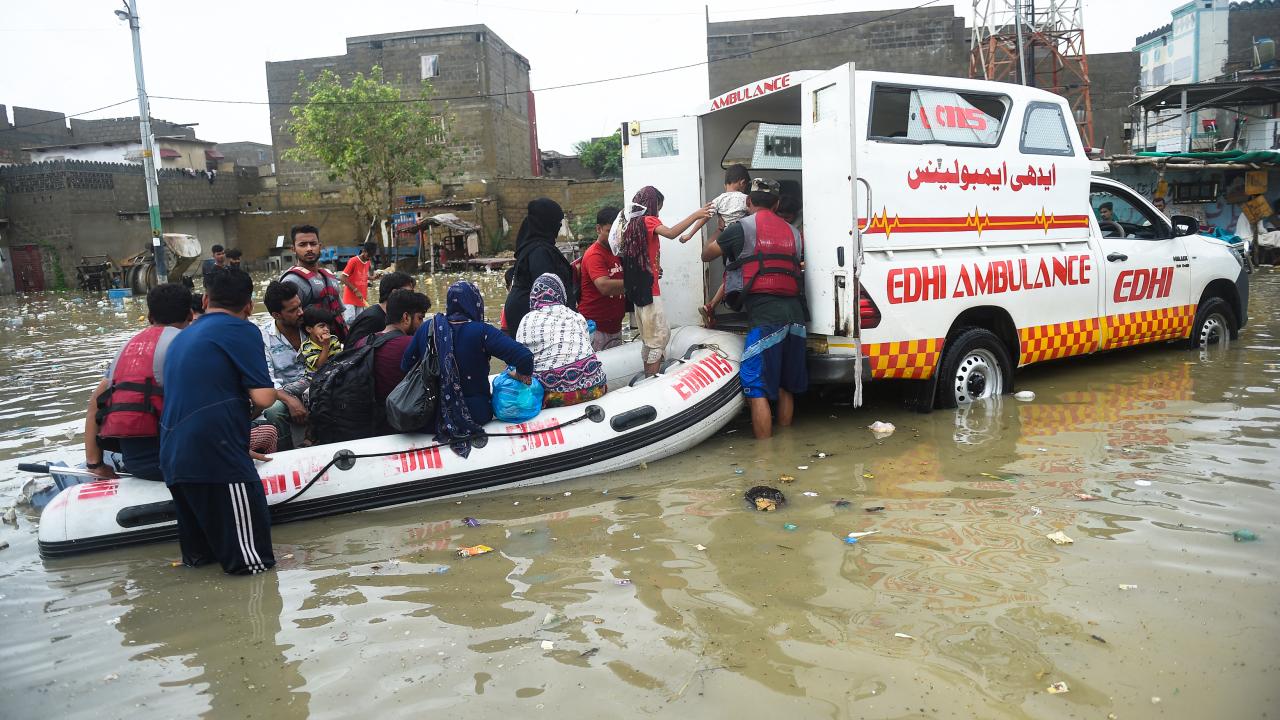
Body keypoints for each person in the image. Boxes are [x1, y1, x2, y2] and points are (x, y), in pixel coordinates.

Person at [160, 267, 277, 575]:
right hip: (218, 461)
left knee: (201, 565)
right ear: (249, 306)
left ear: (205, 298)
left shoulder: (182, 338)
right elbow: (264, 398)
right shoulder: (242, 330)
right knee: (253, 569)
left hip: (174, 460)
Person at [701, 178, 807, 439]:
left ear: (749, 202)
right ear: (777, 203)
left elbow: (707, 254)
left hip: (766, 317)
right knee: (785, 386)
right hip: (796, 317)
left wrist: (719, 230)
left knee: (755, 385)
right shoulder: (794, 232)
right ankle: (786, 449)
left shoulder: (741, 228)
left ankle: (765, 457)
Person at [403, 281, 534, 456]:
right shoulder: (482, 332)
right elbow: (524, 357)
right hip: (475, 414)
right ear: (475, 303)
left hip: (431, 416)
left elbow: (405, 365)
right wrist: (521, 375)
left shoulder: (428, 327)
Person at [83, 283, 194, 481]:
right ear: (191, 315)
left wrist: (95, 464)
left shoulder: (127, 347)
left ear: (151, 317)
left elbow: (95, 402)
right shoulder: (188, 343)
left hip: (135, 464)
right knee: (266, 433)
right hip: (178, 462)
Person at [619, 186, 712, 376]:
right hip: (650, 292)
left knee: (649, 339)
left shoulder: (631, 225)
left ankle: (648, 378)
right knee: (658, 339)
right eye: (658, 207)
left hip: (639, 292)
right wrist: (696, 215)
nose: (659, 212)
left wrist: (653, 268)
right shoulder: (648, 220)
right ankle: (651, 380)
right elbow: (670, 233)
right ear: (652, 205)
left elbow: (637, 256)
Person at [516, 273, 607, 407]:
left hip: (552, 396)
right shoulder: (576, 316)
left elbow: (519, 357)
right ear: (560, 293)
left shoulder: (527, 320)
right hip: (594, 389)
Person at [354, 289, 431, 420]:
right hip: (399, 421)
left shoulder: (362, 343)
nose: (422, 324)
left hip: (367, 418)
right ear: (406, 317)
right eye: (420, 318)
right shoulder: (412, 344)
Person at [503, 198, 575, 338]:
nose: (559, 228)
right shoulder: (540, 251)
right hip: (531, 319)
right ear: (547, 224)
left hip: (526, 314)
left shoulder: (535, 246)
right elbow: (546, 290)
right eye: (557, 224)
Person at [259, 281, 308, 450]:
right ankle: (286, 453)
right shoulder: (263, 336)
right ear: (276, 315)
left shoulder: (312, 325)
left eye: (300, 306)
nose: (300, 312)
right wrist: (290, 400)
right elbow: (267, 379)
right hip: (282, 392)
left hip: (315, 385)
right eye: (293, 310)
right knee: (274, 410)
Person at [280, 224, 347, 340]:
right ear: (293, 249)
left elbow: (339, 312)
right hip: (312, 350)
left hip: (337, 343)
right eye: (302, 245)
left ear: (320, 246)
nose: (309, 248)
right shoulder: (291, 282)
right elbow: (286, 324)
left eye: (313, 244)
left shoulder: (329, 276)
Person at [578, 205, 625, 351]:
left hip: (615, 325)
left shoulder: (617, 250)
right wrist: (637, 282)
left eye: (617, 232)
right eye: (609, 231)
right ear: (598, 229)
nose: (614, 236)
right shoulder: (594, 254)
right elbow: (604, 286)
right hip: (595, 328)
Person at [679, 164, 750, 244]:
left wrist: (689, 234)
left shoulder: (719, 200)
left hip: (726, 238)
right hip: (743, 237)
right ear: (742, 183)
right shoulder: (747, 199)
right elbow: (753, 215)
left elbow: (704, 218)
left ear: (725, 185)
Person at [347, 271, 419, 349]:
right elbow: (352, 351)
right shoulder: (372, 319)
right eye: (410, 293)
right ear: (395, 293)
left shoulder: (397, 317)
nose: (412, 297)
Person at [338, 241, 377, 324]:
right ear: (364, 251)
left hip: (361, 298)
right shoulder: (353, 261)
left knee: (359, 322)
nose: (369, 258)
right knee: (350, 320)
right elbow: (342, 277)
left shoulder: (367, 262)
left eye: (371, 256)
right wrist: (355, 290)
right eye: (368, 255)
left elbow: (361, 276)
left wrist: (372, 278)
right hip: (350, 297)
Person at [300, 306, 343, 374]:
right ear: (309, 329)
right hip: (314, 378)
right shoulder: (307, 346)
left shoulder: (333, 339)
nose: (326, 329)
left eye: (328, 326)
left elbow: (339, 358)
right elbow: (320, 366)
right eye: (321, 326)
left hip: (333, 373)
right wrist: (326, 345)